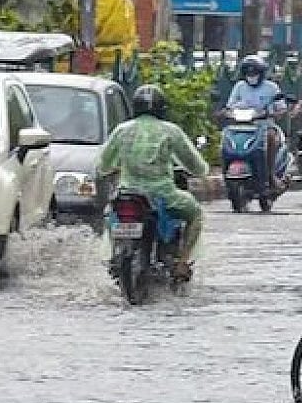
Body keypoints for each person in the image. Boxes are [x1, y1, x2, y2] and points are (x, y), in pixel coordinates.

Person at [97, 85, 209, 280]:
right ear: (162, 109)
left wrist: (114, 167)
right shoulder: (171, 131)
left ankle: (113, 255)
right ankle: (182, 263)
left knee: (110, 214)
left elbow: (103, 166)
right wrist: (201, 171)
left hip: (127, 194)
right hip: (163, 195)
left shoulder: (121, 130)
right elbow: (196, 166)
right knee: (195, 213)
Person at [226, 54, 289, 192]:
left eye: (254, 73)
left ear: (261, 73)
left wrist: (271, 113)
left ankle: (271, 175)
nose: (251, 76)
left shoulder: (271, 87)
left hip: (265, 126)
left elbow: (281, 108)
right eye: (248, 73)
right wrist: (228, 113)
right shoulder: (239, 86)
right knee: (225, 139)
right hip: (242, 127)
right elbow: (230, 106)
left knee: (271, 137)